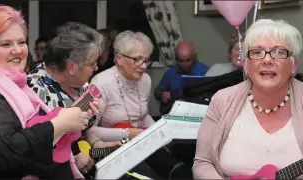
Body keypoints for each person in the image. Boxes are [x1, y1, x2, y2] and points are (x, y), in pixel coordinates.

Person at [193, 19, 303, 179]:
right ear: (246, 65)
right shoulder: (222, 100)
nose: (267, 60)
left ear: (294, 65)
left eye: (278, 52)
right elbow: (203, 163)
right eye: (257, 52)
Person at [0, 5, 99, 179]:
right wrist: (61, 123)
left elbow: (39, 134)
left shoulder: (17, 83)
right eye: (5, 44)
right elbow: (6, 156)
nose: (18, 50)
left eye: (21, 42)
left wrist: (71, 116)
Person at [87, 30, 193, 179]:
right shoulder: (101, 83)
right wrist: (128, 133)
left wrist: (159, 132)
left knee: (181, 172)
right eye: (137, 60)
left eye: (146, 60)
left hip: (141, 144)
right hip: (110, 150)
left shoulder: (145, 80)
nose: (143, 66)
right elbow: (89, 131)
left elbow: (142, 116)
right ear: (119, 59)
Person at [27, 21, 121, 176]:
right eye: (92, 64)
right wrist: (75, 154)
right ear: (71, 67)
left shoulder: (81, 83)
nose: (96, 68)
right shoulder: (35, 90)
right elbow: (37, 148)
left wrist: (99, 146)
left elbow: (83, 134)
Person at [154, 41, 209, 114]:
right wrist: (162, 95)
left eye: (188, 60)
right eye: (180, 61)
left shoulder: (205, 71)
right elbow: (157, 90)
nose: (184, 64)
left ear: (195, 57)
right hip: (175, 112)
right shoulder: (171, 72)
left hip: (198, 112)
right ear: (176, 58)